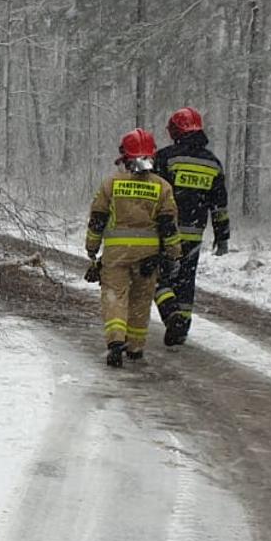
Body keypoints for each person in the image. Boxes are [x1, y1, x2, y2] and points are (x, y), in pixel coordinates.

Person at [84, 129, 182, 368]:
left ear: (124, 156)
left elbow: (98, 219)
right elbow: (169, 227)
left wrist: (92, 248)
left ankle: (116, 341)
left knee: (114, 297)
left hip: (116, 254)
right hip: (148, 257)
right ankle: (136, 348)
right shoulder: (163, 187)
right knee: (141, 300)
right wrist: (173, 254)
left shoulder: (111, 184)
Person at [153, 107, 231, 346]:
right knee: (186, 281)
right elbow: (219, 206)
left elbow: (154, 195)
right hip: (194, 235)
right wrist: (222, 236)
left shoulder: (166, 158)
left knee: (159, 277)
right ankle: (182, 327)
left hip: (167, 233)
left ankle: (171, 314)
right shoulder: (213, 163)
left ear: (175, 130)